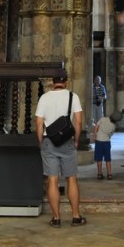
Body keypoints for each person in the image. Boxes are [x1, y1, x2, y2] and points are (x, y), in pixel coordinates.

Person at [35, 68, 87, 228]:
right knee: (71, 178)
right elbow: (78, 122)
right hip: (67, 141)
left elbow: (38, 122)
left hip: (49, 141)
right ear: (65, 81)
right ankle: (76, 216)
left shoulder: (44, 97)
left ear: (52, 81)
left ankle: (56, 218)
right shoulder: (73, 97)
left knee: (52, 179)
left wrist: (40, 142)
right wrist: (76, 140)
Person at [93, 109, 120, 180]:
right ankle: (109, 174)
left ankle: (99, 174)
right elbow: (110, 135)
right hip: (106, 142)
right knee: (108, 159)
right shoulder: (113, 126)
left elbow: (96, 126)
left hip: (98, 141)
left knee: (99, 159)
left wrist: (95, 134)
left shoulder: (103, 119)